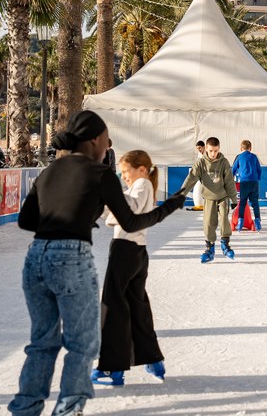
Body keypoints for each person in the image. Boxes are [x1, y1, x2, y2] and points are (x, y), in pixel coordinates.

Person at [8, 110, 185, 416]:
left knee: (42, 341)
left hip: (36, 257)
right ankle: (68, 411)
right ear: (94, 139)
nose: (108, 146)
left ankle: (25, 410)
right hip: (71, 257)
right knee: (81, 344)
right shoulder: (100, 173)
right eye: (106, 139)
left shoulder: (50, 171)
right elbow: (130, 221)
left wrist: (66, 218)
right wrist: (169, 206)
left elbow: (26, 220)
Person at [91, 150, 166, 387]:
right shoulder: (142, 185)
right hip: (136, 251)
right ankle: (151, 358)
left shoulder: (142, 183)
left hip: (125, 249)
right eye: (121, 173)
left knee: (113, 306)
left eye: (126, 172)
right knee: (136, 305)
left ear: (141, 169)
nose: (124, 177)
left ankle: (112, 368)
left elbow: (130, 208)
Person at [179, 137, 238, 263]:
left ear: (219, 149)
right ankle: (210, 248)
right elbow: (191, 178)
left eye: (216, 151)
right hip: (209, 198)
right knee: (208, 223)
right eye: (211, 150)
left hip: (223, 197)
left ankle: (225, 245)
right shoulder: (201, 163)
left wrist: (234, 199)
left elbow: (229, 182)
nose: (213, 154)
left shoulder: (224, 162)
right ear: (206, 149)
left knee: (223, 220)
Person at [232, 140, 262, 231]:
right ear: (250, 148)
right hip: (254, 182)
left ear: (241, 148)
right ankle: (257, 222)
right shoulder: (254, 157)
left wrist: (231, 180)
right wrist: (257, 179)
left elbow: (233, 169)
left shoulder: (239, 157)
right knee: (255, 203)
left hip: (244, 182)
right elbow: (259, 170)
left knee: (243, 202)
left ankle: (240, 222)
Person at [190, 140, 205, 211]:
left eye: (200, 148)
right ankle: (199, 204)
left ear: (203, 147)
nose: (199, 150)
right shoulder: (199, 155)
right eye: (197, 148)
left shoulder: (208, 154)